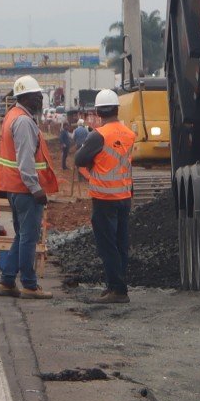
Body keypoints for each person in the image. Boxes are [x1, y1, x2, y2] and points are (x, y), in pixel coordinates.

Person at [70, 89, 136, 303]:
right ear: (117, 109)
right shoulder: (128, 134)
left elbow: (79, 159)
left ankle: (117, 290)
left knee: (107, 246)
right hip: (124, 196)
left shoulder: (98, 135)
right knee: (120, 244)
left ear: (98, 112)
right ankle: (116, 286)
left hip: (104, 198)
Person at [0, 75, 54, 299]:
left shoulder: (13, 116)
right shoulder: (24, 122)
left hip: (13, 187)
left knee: (21, 235)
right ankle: (29, 284)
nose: (40, 99)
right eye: (37, 95)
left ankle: (7, 281)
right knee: (29, 237)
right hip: (25, 189)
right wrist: (35, 187)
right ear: (27, 97)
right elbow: (25, 158)